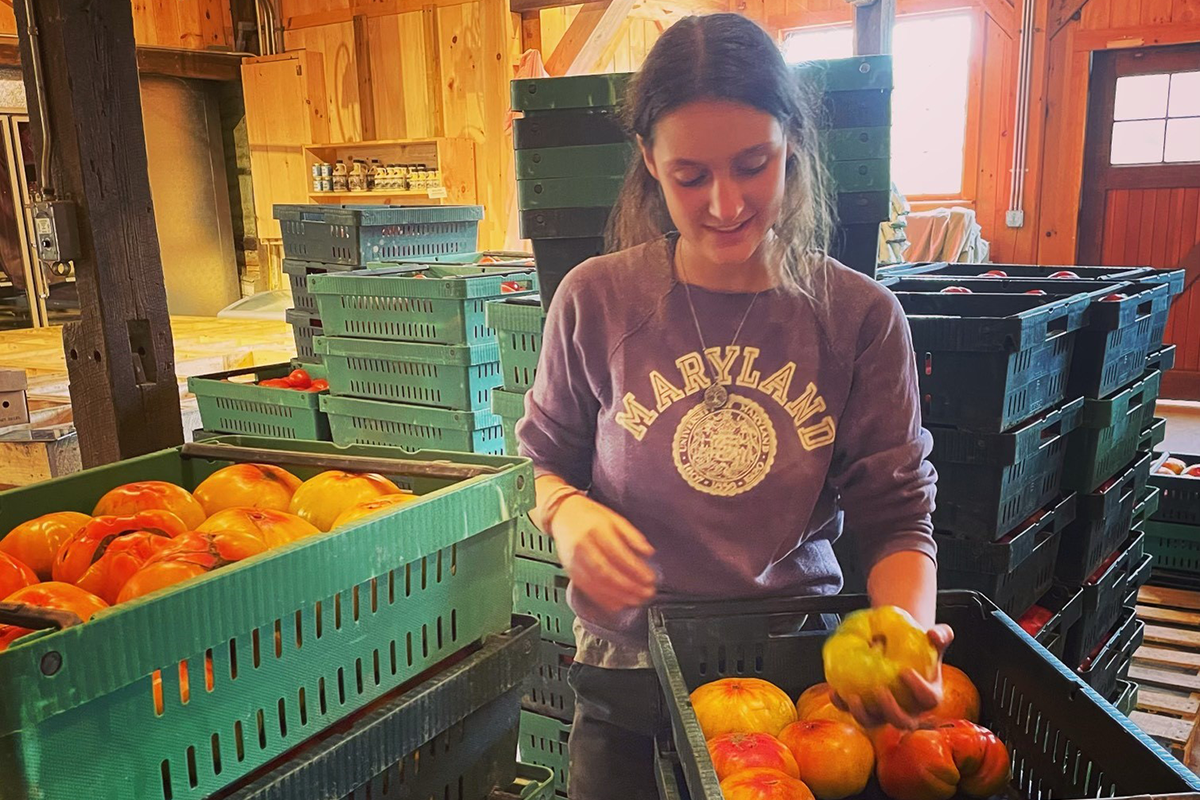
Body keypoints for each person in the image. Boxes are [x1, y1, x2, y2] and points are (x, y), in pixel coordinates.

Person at [516, 14, 947, 799]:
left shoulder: (859, 317)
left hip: (795, 678)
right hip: (628, 674)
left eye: (754, 165)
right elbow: (546, 461)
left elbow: (898, 517)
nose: (724, 203)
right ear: (648, 161)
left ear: (793, 147)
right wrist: (569, 515)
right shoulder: (597, 300)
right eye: (689, 176)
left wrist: (906, 630)